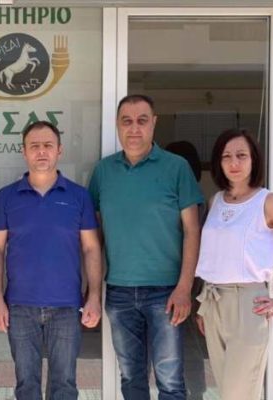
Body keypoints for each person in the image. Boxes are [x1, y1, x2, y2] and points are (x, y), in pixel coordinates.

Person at [88, 94, 204, 400]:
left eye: (142, 120)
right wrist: (92, 290)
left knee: (170, 381)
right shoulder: (103, 172)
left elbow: (192, 231)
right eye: (126, 121)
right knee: (131, 379)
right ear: (117, 125)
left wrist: (184, 288)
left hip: (166, 292)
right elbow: (94, 239)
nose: (134, 128)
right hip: (119, 292)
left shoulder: (176, 168)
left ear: (154, 123)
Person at [195, 128, 273, 400]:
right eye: (226, 156)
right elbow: (215, 255)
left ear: (254, 160)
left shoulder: (269, 202)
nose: (234, 163)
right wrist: (204, 309)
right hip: (213, 302)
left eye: (241, 155)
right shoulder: (216, 201)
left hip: (247, 303)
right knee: (227, 391)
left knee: (238, 394)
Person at [0, 120, 102, 400]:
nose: (41, 151)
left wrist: (94, 296)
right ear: (24, 151)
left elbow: (91, 248)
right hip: (20, 306)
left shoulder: (78, 196)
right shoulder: (6, 197)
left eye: (48, 145)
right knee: (26, 386)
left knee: (64, 386)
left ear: (59, 150)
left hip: (66, 306)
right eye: (34, 146)